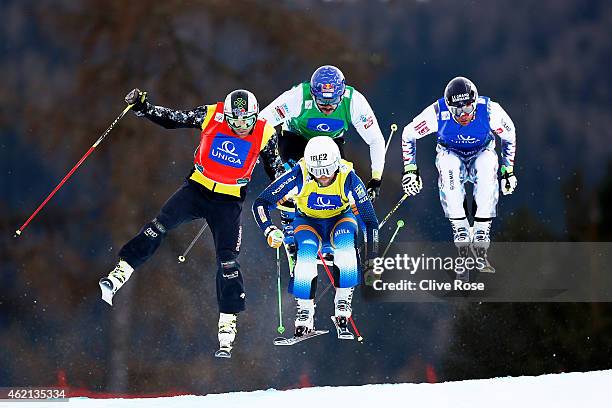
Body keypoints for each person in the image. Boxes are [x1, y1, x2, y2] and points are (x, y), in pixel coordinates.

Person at [99, 88, 285, 358]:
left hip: (228, 202)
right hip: (196, 190)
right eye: (236, 122)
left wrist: (288, 195)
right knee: (158, 226)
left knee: (228, 260)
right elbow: (175, 118)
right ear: (228, 116)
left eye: (247, 122)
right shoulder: (213, 114)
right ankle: (121, 272)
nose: (242, 127)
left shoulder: (266, 133)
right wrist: (144, 108)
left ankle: (227, 322)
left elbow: (275, 169)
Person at [252, 136, 379, 339]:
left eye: (327, 170)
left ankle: (343, 305)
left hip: (340, 220)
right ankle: (304, 313)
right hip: (308, 223)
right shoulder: (298, 175)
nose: (323, 177)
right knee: (305, 260)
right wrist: (269, 229)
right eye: (317, 172)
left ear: (337, 163)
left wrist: (372, 255)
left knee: (346, 252)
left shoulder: (349, 178)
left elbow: (370, 221)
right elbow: (261, 203)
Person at [400, 76, 517, 279]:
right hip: (451, 154)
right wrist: (411, 169)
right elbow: (408, 134)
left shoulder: (489, 111)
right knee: (448, 166)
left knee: (487, 164)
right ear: (448, 106)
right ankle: (461, 231)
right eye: (456, 110)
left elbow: (509, 134)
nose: (463, 115)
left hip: (482, 152)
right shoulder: (438, 113)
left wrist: (508, 170)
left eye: (467, 108)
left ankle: (481, 233)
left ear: (475, 102)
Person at [259, 65, 386, 202]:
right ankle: (290, 212)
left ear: (342, 95)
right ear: (313, 94)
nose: (328, 106)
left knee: (342, 186)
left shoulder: (354, 102)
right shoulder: (297, 97)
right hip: (296, 138)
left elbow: (375, 140)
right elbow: (261, 122)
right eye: (322, 101)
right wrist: (266, 158)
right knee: (297, 184)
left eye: (333, 101)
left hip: (330, 142)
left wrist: (376, 179)